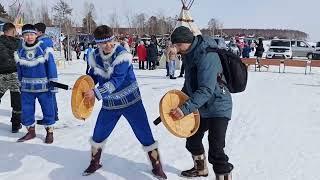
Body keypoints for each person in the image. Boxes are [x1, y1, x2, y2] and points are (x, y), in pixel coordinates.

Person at [82, 25, 167, 179]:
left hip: (131, 103)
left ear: (114, 39)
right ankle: (95, 162)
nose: (108, 45)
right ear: (97, 43)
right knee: (99, 133)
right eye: (103, 43)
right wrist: (85, 84)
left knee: (144, 134)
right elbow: (93, 75)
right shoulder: (94, 56)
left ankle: (157, 166)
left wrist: (96, 93)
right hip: (110, 105)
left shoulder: (123, 55)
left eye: (110, 41)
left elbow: (117, 80)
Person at [169, 26, 233, 179]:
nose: (176, 49)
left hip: (218, 106)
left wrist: (185, 109)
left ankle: (224, 176)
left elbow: (206, 89)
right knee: (192, 141)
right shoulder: (189, 53)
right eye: (175, 45)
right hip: (201, 106)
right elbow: (190, 83)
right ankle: (201, 169)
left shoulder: (206, 55)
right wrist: (181, 101)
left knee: (216, 149)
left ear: (187, 41)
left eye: (178, 45)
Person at [15, 24, 57, 144]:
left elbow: (51, 65)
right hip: (27, 87)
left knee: (48, 109)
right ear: (23, 36)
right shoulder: (21, 50)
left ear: (36, 34)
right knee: (26, 110)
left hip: (44, 86)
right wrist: (20, 81)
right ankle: (31, 131)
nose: (30, 37)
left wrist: (53, 81)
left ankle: (49, 132)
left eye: (32, 34)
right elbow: (19, 68)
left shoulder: (43, 47)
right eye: (26, 34)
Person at [34, 22, 59, 123]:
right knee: (50, 95)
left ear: (40, 32)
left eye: (34, 31)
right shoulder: (45, 42)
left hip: (45, 74)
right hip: (47, 73)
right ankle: (54, 115)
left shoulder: (43, 43)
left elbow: (49, 61)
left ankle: (50, 117)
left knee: (48, 96)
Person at [0, 23, 22, 133]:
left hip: (1, 75)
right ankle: (15, 125)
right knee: (17, 101)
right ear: (13, 31)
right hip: (15, 75)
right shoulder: (19, 43)